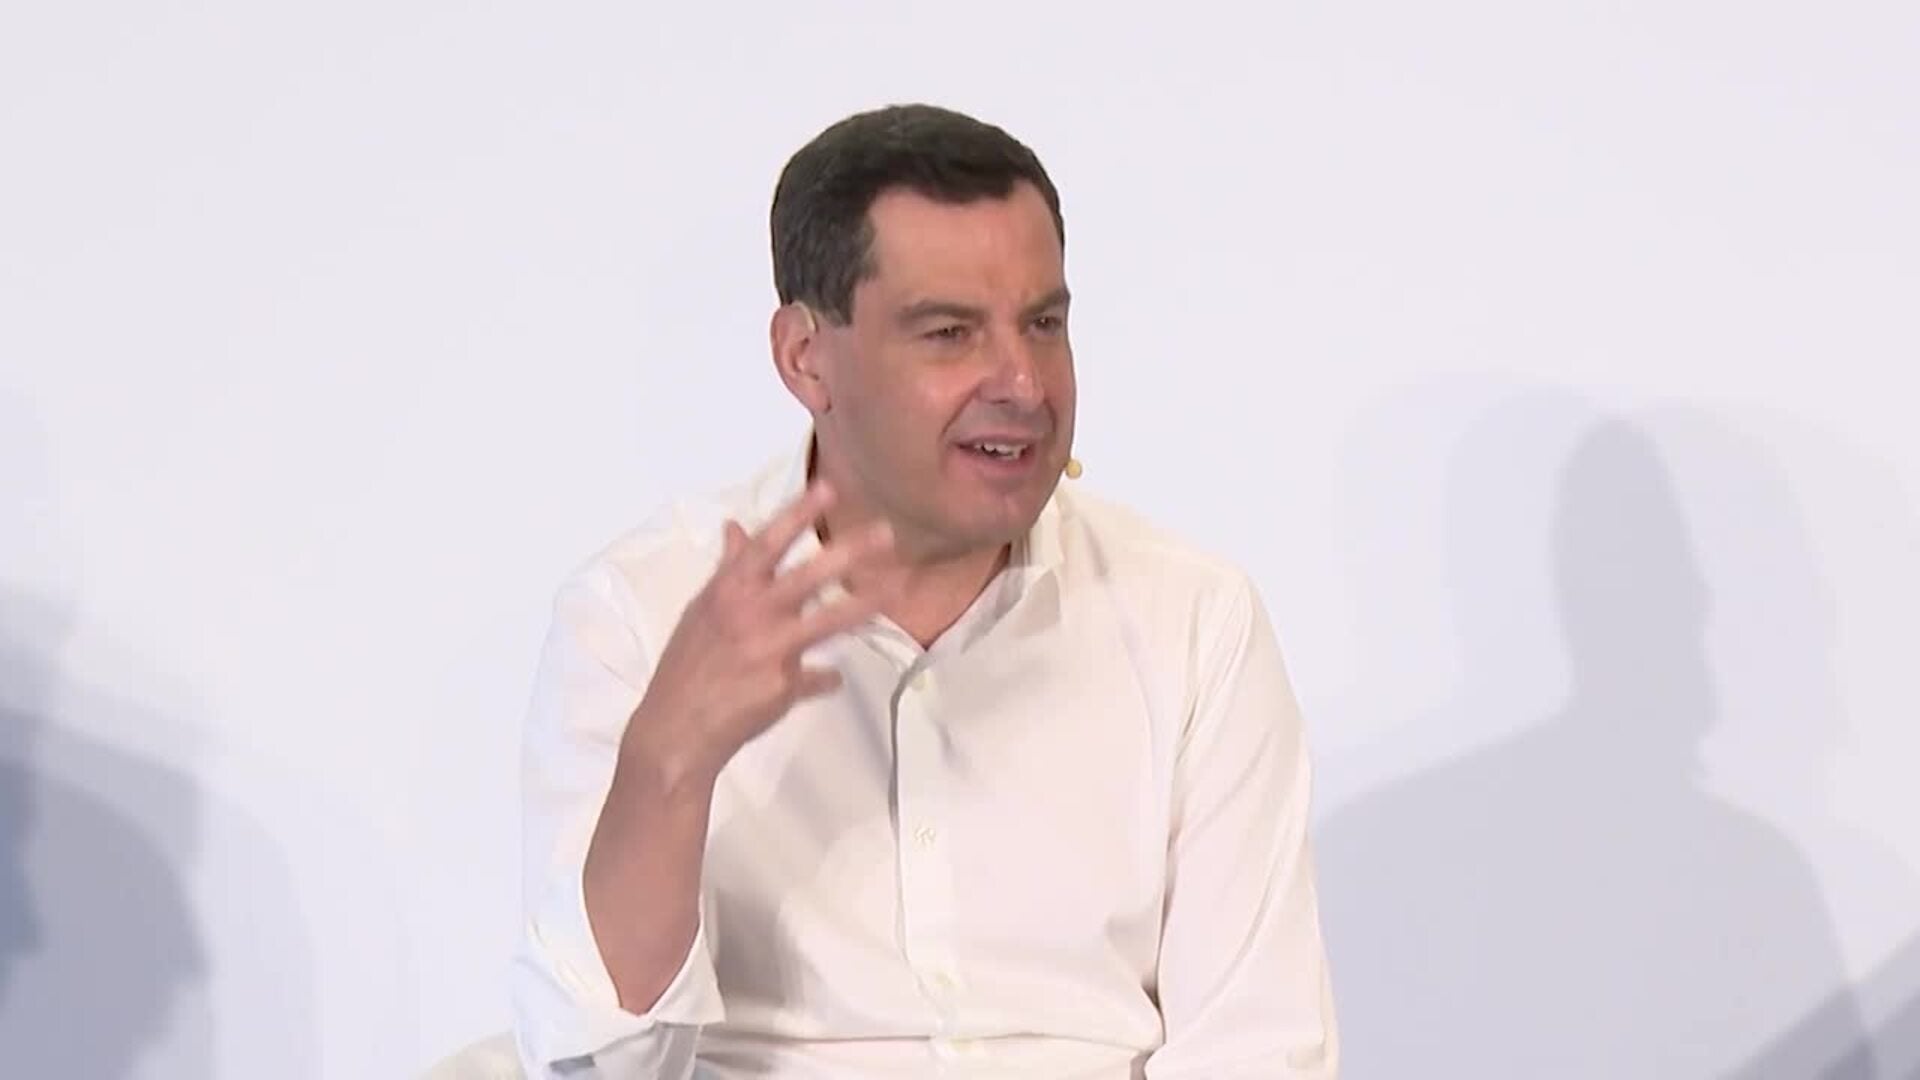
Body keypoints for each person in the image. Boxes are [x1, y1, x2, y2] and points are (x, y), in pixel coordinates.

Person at [509, 102, 1339, 1078]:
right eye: (949, 333)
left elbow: (1257, 1049)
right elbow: (598, 1069)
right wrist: (670, 762)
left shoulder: (1193, 619)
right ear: (805, 357)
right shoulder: (639, 616)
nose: (1022, 384)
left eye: (1044, 324)